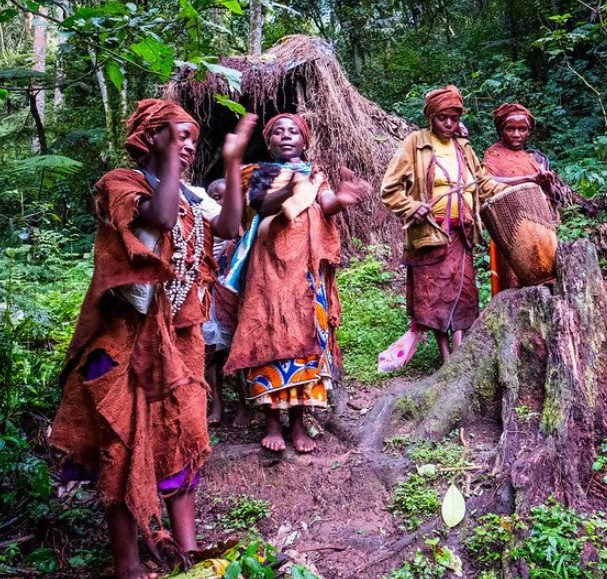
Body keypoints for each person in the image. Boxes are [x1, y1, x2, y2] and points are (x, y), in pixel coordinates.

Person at [49, 99, 255, 579]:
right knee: (121, 448)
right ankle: (128, 564)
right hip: (122, 341)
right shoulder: (120, 185)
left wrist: (230, 162)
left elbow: (229, 226)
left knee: (183, 437)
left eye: (191, 141)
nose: (187, 148)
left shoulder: (188, 194)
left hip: (178, 342)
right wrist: (164, 157)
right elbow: (158, 221)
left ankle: (187, 555)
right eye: (178, 136)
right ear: (151, 137)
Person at [224, 113, 369, 453]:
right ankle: (272, 422)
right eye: (278, 132)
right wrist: (288, 187)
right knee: (271, 330)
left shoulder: (316, 175)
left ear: (305, 142)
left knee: (307, 335)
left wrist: (343, 199)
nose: (286, 136)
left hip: (306, 272)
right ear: (269, 140)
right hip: (269, 271)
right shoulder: (262, 172)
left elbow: (326, 204)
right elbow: (260, 203)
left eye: (294, 132)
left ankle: (300, 423)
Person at [381, 84, 507, 363]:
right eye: (442, 118)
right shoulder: (416, 143)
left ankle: (459, 355)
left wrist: (509, 190)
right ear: (431, 117)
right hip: (429, 233)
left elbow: (481, 182)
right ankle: (446, 356)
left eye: (454, 118)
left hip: (461, 232)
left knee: (463, 290)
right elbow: (390, 188)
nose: (449, 124)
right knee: (435, 294)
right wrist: (412, 206)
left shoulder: (463, 146)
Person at [482, 102, 597, 295]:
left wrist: (545, 184)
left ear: (529, 131)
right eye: (510, 129)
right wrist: (528, 179)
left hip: (538, 226)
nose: (516, 134)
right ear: (501, 130)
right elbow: (487, 183)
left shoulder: (531, 159)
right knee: (512, 281)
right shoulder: (494, 154)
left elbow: (551, 194)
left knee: (544, 275)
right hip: (510, 228)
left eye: (522, 129)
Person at [202, 179, 250, 427]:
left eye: (225, 197)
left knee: (238, 353)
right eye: (214, 196)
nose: (219, 202)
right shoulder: (204, 228)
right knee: (213, 355)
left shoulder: (243, 232)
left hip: (234, 300)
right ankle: (217, 404)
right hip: (209, 299)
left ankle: (244, 405)